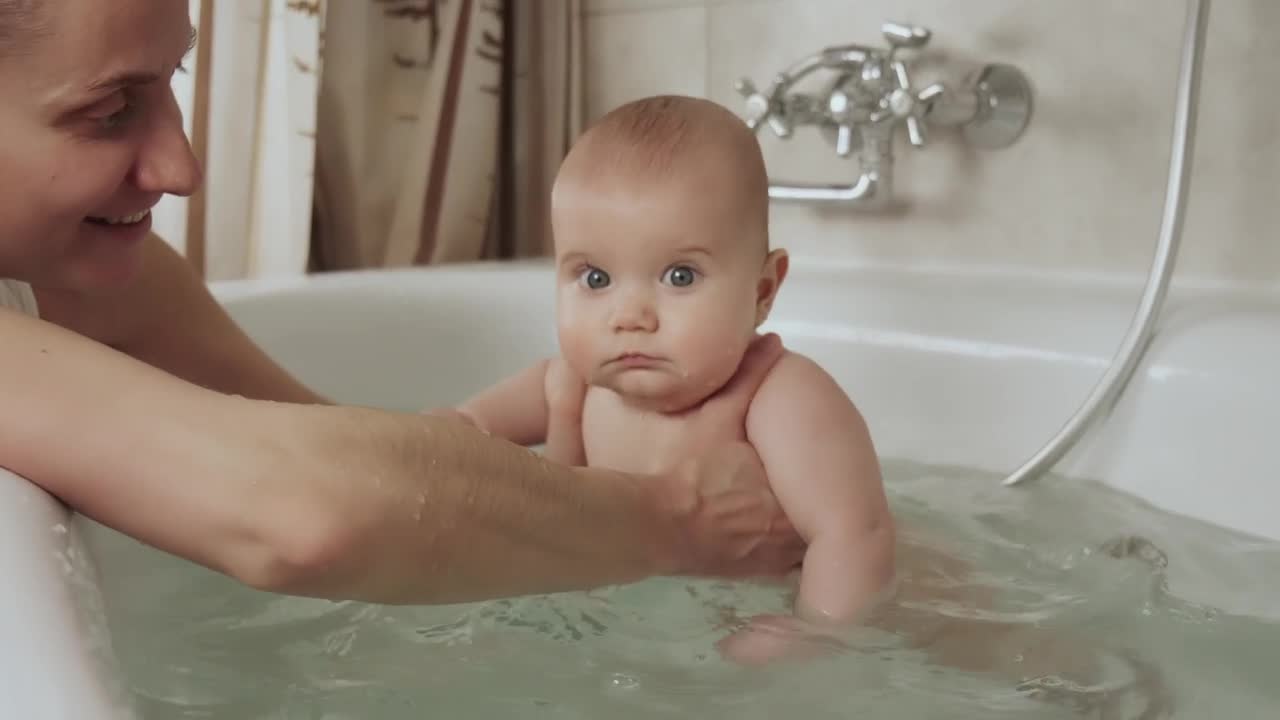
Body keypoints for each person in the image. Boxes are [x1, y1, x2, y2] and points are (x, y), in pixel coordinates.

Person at [0, 0, 805, 606]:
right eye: (108, 112)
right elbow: (308, 511)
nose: (181, 167)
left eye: (173, 80)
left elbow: (332, 445)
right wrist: (681, 517)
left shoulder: (91, 282)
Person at [429, 93, 898, 658]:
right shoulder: (569, 385)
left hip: (746, 624)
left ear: (763, 290)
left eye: (679, 276)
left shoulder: (778, 397)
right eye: (595, 278)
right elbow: (458, 431)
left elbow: (853, 534)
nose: (629, 317)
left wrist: (815, 632)